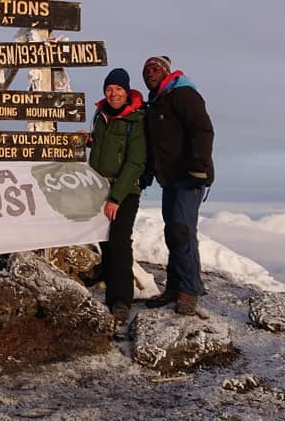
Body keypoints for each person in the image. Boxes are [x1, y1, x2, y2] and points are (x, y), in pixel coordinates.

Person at [140, 55, 214, 316]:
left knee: (182, 230)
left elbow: (203, 130)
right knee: (173, 231)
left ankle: (189, 290)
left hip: (190, 176)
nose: (150, 73)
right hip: (170, 178)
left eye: (155, 68)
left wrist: (199, 167)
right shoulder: (158, 100)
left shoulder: (184, 95)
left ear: (167, 72)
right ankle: (175, 287)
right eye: (147, 70)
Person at [87, 67, 147, 326]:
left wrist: (116, 198)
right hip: (99, 187)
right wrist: (90, 140)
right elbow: (105, 147)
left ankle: (121, 300)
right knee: (104, 240)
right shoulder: (101, 116)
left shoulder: (136, 120)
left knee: (120, 242)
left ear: (127, 91)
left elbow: (135, 161)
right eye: (109, 89)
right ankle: (110, 284)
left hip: (125, 191)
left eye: (118, 89)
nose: (113, 94)